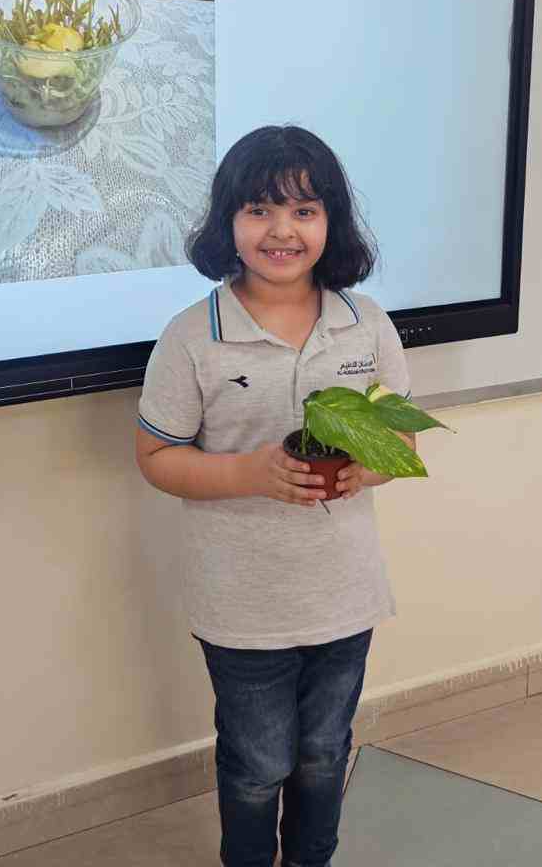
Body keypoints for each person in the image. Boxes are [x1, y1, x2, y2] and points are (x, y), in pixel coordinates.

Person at [135, 124, 417, 867]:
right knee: (257, 765)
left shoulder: (368, 326)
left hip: (344, 595)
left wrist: (367, 469)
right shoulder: (192, 336)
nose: (282, 230)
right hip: (242, 605)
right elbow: (156, 458)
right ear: (227, 221)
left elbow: (402, 444)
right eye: (259, 209)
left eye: (304, 210)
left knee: (325, 753)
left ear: (332, 223)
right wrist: (250, 474)